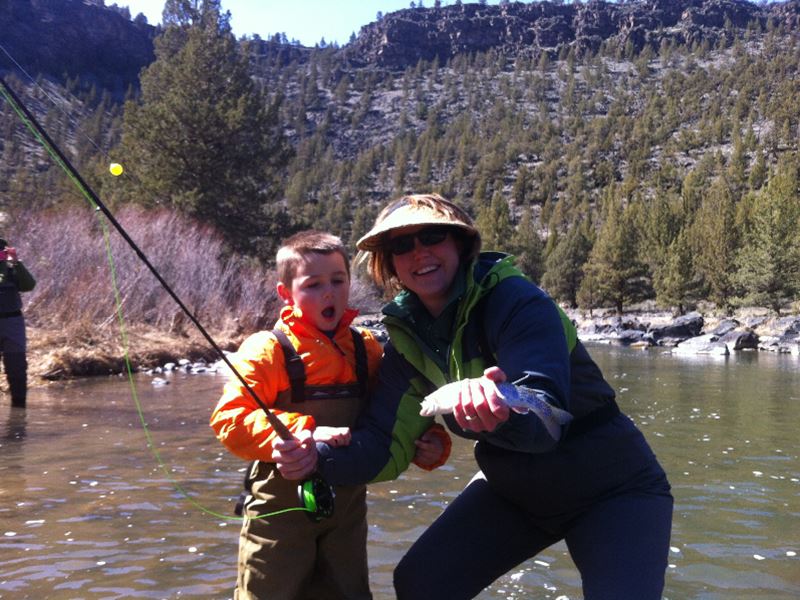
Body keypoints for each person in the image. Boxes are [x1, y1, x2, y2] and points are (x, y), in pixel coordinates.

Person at [277, 194, 673, 599]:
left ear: (461, 245)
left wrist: (505, 416)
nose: (419, 253)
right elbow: (384, 445)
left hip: (613, 488)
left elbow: (545, 419)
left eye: (432, 237)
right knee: (420, 582)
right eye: (402, 245)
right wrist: (316, 456)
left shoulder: (518, 302)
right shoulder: (405, 341)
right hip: (514, 490)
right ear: (389, 261)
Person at [209, 230, 450, 600]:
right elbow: (229, 417)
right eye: (313, 285)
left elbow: (396, 412)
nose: (329, 293)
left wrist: (432, 444)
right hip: (278, 516)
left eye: (338, 281)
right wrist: (294, 433)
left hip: (347, 514)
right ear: (285, 294)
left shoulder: (366, 348)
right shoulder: (267, 349)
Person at [0, 238, 36, 408]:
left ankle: (19, 410)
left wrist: (16, 263)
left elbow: (29, 285)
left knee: (17, 368)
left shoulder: (12, 269)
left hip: (12, 321)